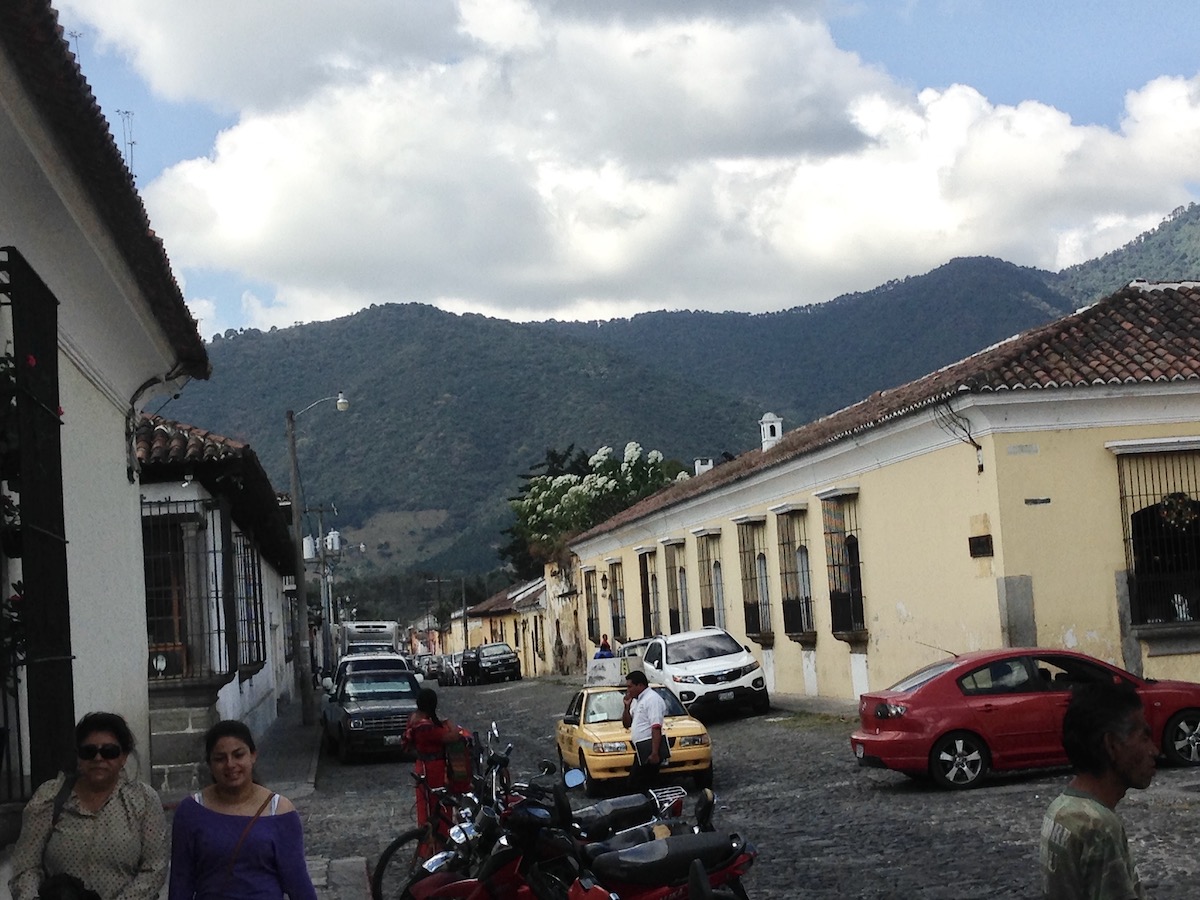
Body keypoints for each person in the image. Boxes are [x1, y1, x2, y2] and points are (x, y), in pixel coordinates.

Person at [8, 711, 168, 900]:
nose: (98, 758)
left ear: (124, 756)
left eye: (109, 751)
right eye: (89, 752)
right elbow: (26, 864)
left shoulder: (144, 800)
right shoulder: (50, 797)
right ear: (78, 757)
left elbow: (154, 868)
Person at [169, 719, 317, 900]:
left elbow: (297, 882)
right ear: (210, 763)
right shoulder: (190, 812)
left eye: (238, 755)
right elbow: (180, 882)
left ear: (253, 755)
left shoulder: (279, 811)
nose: (230, 764)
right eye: (220, 758)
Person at [1040, 680, 1158, 900]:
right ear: (1112, 745)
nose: (1154, 750)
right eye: (1144, 737)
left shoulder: (1060, 808)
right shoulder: (1098, 826)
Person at [403, 688, 467, 847]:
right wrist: (451, 725)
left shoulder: (415, 719)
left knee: (425, 809)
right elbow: (453, 736)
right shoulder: (425, 726)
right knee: (439, 808)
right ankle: (438, 846)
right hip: (433, 770)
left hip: (423, 767)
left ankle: (429, 848)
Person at [621, 669, 667, 791]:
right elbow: (627, 724)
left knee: (638, 784)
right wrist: (626, 707)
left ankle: (651, 808)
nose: (628, 690)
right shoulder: (636, 701)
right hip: (640, 750)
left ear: (640, 685)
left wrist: (655, 753)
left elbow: (656, 727)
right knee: (641, 784)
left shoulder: (652, 699)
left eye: (630, 686)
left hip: (649, 748)